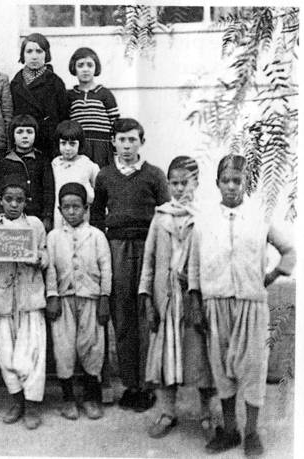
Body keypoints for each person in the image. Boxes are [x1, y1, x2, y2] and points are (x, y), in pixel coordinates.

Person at [188, 155, 296, 456]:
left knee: (252, 366)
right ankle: (230, 430)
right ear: (218, 183)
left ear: (246, 183)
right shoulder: (204, 222)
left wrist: (272, 275)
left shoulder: (259, 218)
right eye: (226, 180)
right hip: (216, 303)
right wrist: (196, 300)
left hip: (251, 304)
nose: (232, 186)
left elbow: (288, 250)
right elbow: (194, 266)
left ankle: (251, 432)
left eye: (238, 180)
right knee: (221, 367)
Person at [91, 117, 170, 412]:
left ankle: (148, 384)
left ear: (141, 142)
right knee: (122, 315)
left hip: (149, 247)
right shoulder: (105, 176)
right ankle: (129, 384)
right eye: (121, 140)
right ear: (113, 142)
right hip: (117, 249)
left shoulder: (154, 175)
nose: (126, 146)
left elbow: (166, 215)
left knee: (146, 313)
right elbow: (97, 217)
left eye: (132, 140)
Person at [139, 156, 215, 439]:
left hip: (196, 297)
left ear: (197, 183)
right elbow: (149, 259)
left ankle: (206, 413)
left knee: (201, 355)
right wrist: (147, 297)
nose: (180, 189)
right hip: (166, 297)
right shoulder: (161, 217)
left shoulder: (205, 217)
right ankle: (168, 412)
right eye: (174, 183)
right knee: (164, 356)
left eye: (185, 183)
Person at [0, 177, 48, 430]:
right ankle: (16, 400)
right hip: (3, 297)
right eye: (8, 199)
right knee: (6, 353)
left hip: (29, 296)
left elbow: (44, 254)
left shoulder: (34, 225)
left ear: (26, 202)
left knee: (31, 353)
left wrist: (37, 259)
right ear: (0, 200)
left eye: (19, 200)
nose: (13, 204)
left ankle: (32, 405)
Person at [45, 182, 111, 421]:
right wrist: (52, 296)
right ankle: (68, 399)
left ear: (85, 208)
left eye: (76, 207)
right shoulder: (53, 237)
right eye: (66, 207)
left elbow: (106, 268)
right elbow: (50, 268)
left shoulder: (96, 236)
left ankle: (92, 397)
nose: (71, 211)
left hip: (91, 298)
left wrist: (104, 297)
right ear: (60, 209)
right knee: (64, 347)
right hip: (63, 300)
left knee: (92, 346)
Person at [10, 33, 69, 159]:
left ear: (46, 54)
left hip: (48, 141)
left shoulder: (55, 82)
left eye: (39, 51)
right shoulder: (16, 83)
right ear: (23, 55)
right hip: (23, 140)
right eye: (29, 51)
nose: (34, 56)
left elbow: (64, 116)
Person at [0, 114, 55, 232]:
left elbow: (48, 190)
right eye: (20, 132)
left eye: (29, 132)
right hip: (11, 217)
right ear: (12, 135)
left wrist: (47, 216)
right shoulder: (5, 161)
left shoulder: (42, 160)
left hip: (35, 216)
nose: (25, 136)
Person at [67, 47, 120, 168]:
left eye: (90, 65)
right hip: (80, 147)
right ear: (74, 68)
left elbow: (116, 124)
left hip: (102, 147)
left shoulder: (105, 94)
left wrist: (116, 151)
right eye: (80, 65)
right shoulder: (70, 95)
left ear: (96, 68)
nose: (85, 69)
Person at [51, 120, 99, 228]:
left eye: (72, 144)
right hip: (59, 215)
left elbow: (99, 190)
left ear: (80, 144)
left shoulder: (88, 165)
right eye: (63, 143)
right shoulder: (55, 164)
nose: (67, 148)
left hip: (82, 215)